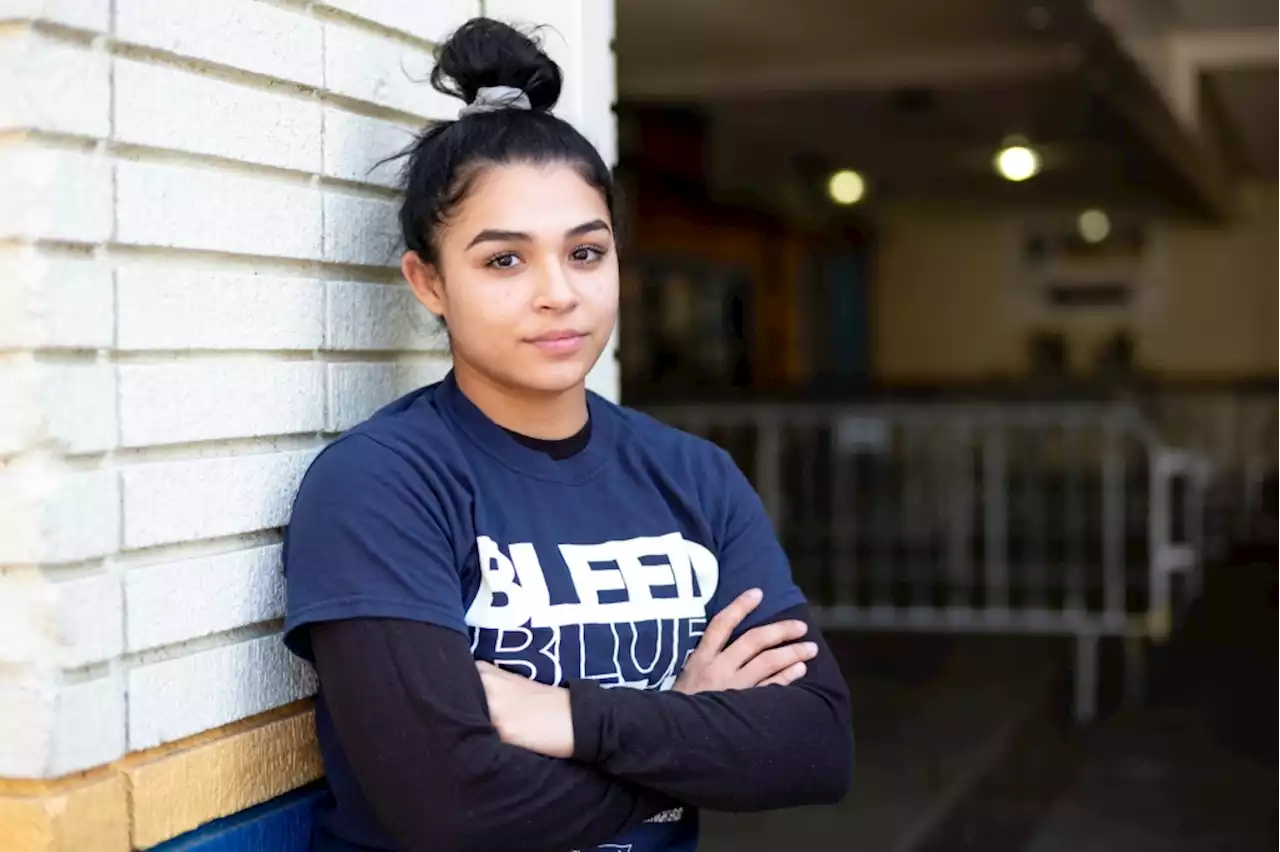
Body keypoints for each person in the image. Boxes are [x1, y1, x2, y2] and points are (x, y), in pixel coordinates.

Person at [282, 17, 853, 852]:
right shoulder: (380, 485)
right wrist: (691, 725)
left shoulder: (693, 476)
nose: (559, 293)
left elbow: (813, 745)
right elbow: (451, 807)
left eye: (586, 253)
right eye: (504, 261)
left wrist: (569, 717)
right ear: (429, 281)